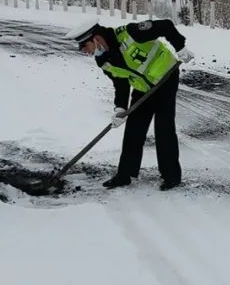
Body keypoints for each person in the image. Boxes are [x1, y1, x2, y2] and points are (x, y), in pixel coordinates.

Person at [66, 18, 194, 191]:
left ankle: (171, 176)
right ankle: (124, 175)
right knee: (134, 129)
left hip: (165, 78)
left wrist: (180, 47)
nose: (85, 52)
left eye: (85, 47)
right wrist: (120, 107)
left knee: (164, 127)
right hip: (143, 88)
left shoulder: (130, 33)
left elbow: (166, 25)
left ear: (95, 39)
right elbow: (120, 83)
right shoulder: (103, 60)